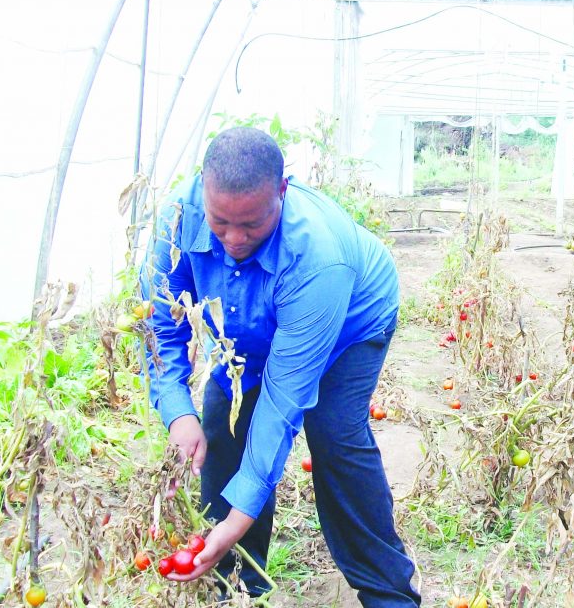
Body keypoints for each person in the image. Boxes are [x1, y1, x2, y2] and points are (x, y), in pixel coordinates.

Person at [140, 126, 421, 607]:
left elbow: (282, 402)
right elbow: (160, 327)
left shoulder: (318, 258)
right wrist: (176, 410)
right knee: (223, 425)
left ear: (282, 192)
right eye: (220, 222)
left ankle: (387, 594)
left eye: (251, 224)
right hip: (249, 328)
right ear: (203, 191)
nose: (233, 239)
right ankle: (233, 584)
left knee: (334, 435)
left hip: (350, 323)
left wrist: (238, 515)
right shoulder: (175, 221)